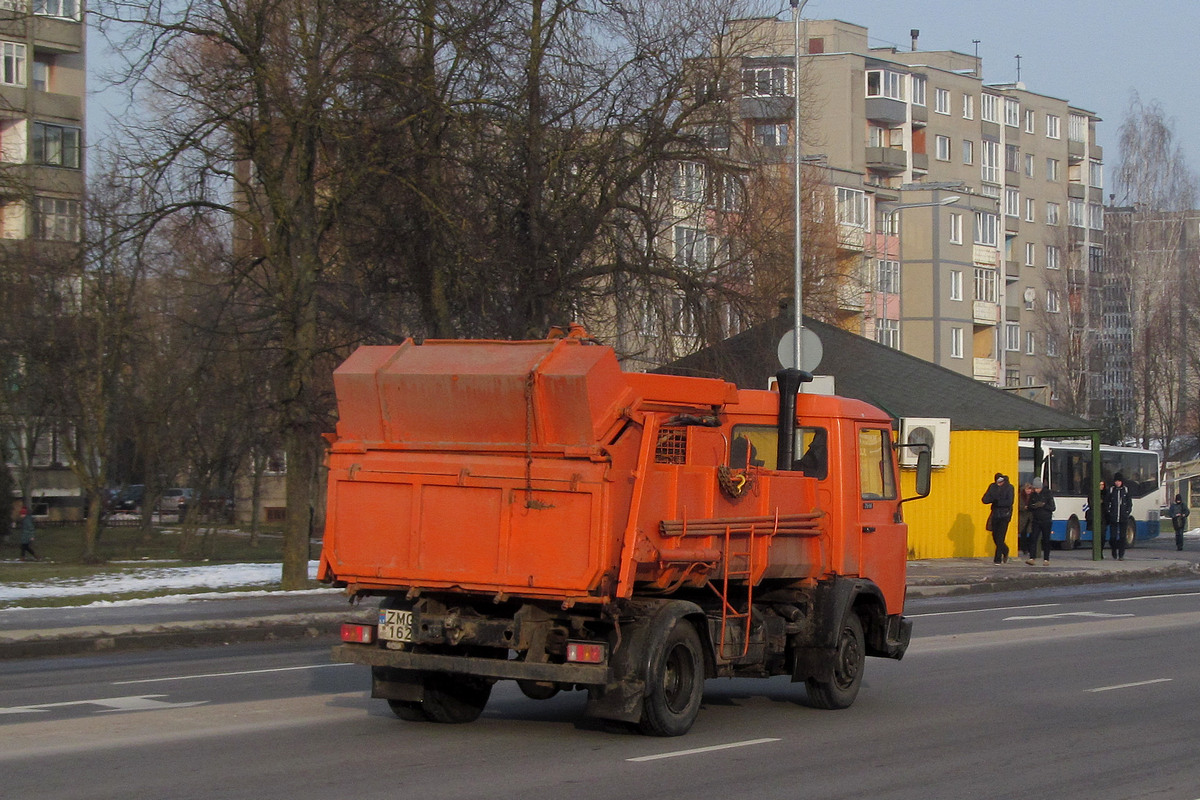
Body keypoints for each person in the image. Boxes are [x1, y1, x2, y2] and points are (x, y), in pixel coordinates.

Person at [981, 472, 1014, 564]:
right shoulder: (992, 487)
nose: (999, 483)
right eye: (997, 482)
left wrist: (997, 501)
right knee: (995, 536)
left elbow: (1010, 501)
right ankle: (1005, 550)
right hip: (995, 514)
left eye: (1000, 482)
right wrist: (992, 498)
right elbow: (985, 499)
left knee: (1000, 537)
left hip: (1005, 515)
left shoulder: (1009, 487)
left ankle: (997, 559)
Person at [1026, 477, 1055, 565]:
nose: (1036, 490)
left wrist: (1043, 505)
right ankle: (1032, 558)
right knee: (1033, 538)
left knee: (1046, 540)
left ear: (1041, 487)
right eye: (1034, 488)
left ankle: (1046, 559)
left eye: (1037, 488)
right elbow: (1029, 506)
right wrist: (1033, 506)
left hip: (1046, 520)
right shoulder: (1033, 495)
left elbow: (1053, 508)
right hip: (1036, 520)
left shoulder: (1048, 494)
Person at [1104, 472, 1133, 561]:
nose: (1117, 483)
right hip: (1113, 517)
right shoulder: (1111, 490)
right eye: (1116, 481)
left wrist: (1126, 512)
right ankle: (1113, 550)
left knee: (1122, 537)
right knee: (1112, 537)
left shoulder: (1126, 490)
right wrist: (1109, 512)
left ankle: (1121, 554)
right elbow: (1107, 502)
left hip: (1123, 518)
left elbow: (1129, 503)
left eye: (1119, 481)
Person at [1016, 482, 1035, 559]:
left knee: (1031, 533)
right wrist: (1024, 507)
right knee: (1023, 533)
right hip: (1023, 517)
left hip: (1030, 517)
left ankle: (1030, 549)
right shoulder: (1020, 496)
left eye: (1030, 489)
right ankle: (1024, 549)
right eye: (1027, 489)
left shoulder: (1033, 496)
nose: (1028, 491)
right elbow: (1018, 505)